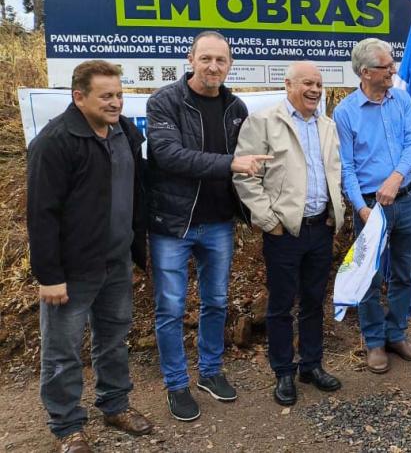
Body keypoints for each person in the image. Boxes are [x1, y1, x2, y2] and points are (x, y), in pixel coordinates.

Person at [27, 60, 153, 452]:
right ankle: (67, 427)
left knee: (113, 340)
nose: (116, 103)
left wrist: (135, 250)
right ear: (78, 96)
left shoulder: (124, 133)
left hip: (115, 263)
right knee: (62, 352)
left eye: (119, 95)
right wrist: (49, 275)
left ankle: (115, 405)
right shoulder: (55, 141)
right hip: (72, 270)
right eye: (106, 96)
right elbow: (41, 213)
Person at [146, 30, 270, 421]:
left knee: (216, 302)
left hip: (218, 223)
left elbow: (250, 160)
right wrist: (230, 163)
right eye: (206, 59)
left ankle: (210, 372)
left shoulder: (236, 107)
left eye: (221, 60)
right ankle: (177, 384)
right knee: (171, 308)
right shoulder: (164, 102)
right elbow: (169, 156)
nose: (213, 66)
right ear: (191, 59)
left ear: (230, 64)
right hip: (173, 224)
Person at [233, 61, 345, 406]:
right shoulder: (264, 121)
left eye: (319, 84)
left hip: (320, 229)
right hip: (284, 233)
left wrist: (333, 213)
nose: (314, 90)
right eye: (307, 83)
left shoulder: (327, 125)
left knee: (313, 302)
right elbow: (246, 176)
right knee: (281, 305)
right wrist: (269, 221)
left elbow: (337, 170)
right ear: (288, 85)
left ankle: (311, 365)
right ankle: (283, 371)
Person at [333, 38, 411, 374]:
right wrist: (361, 208)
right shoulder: (344, 113)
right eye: (386, 67)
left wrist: (396, 178)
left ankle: (396, 333)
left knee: (403, 271)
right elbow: (347, 167)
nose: (393, 71)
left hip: (407, 198)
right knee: (369, 277)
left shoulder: (400, 100)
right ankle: (374, 342)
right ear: (366, 72)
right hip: (371, 209)